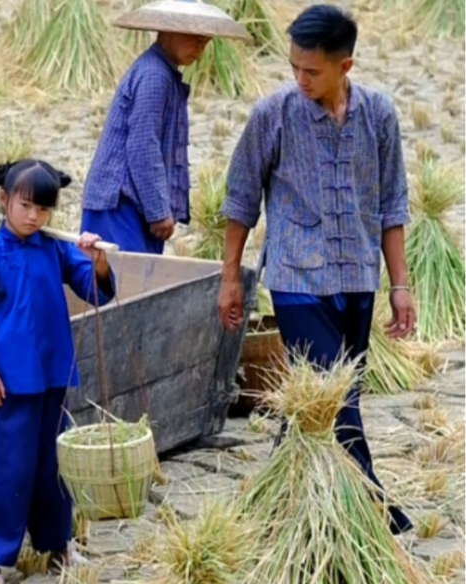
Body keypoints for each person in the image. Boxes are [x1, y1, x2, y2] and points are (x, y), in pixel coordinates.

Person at [217, 4, 414, 535]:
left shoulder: (380, 116)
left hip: (357, 279)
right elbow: (240, 200)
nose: (299, 79)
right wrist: (231, 277)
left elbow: (392, 204)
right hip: (297, 279)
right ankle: (371, 510)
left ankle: (282, 497)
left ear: (344, 67)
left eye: (312, 71)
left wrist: (400, 285)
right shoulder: (272, 114)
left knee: (314, 404)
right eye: (293, 68)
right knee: (335, 397)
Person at [0, 160, 116, 584]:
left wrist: (96, 261)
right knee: (3, 466)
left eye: (43, 209)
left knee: (51, 465)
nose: (34, 217)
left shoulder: (56, 248)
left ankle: (57, 544)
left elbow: (92, 286)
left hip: (51, 373)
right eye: (26, 205)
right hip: (7, 382)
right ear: (4, 200)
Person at [80, 0, 246, 254]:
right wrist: (158, 211)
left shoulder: (161, 72)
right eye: (193, 38)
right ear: (168, 31)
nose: (199, 47)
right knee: (123, 287)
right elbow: (143, 146)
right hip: (118, 206)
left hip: (130, 206)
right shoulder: (154, 76)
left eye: (205, 41)